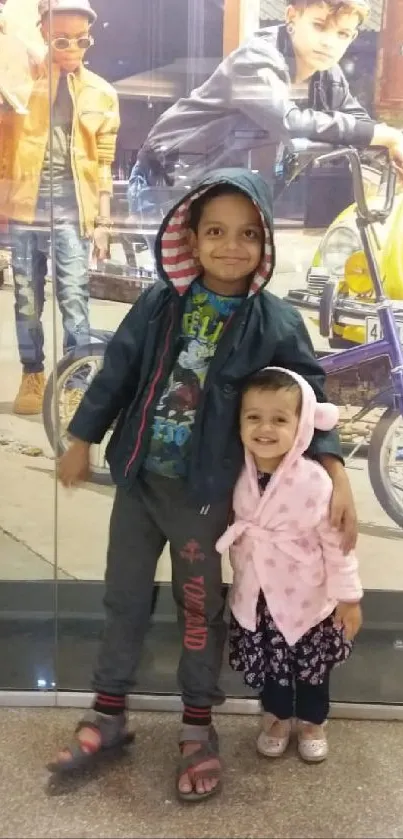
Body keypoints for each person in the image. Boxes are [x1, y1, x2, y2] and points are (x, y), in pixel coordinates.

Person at [49, 167, 357, 801]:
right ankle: (108, 713)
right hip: (138, 482)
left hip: (204, 495)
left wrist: (334, 468)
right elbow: (117, 373)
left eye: (248, 234)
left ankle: (197, 727)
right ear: (190, 235)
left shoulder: (272, 321)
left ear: (265, 242)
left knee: (199, 611)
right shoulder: (159, 304)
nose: (230, 246)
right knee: (124, 599)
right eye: (215, 231)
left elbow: (310, 397)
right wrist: (81, 438)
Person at [128, 0, 403, 240]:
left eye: (342, 34)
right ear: (292, 17)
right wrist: (385, 135)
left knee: (232, 283)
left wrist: (390, 147)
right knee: (183, 285)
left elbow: (359, 124)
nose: (329, 42)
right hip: (169, 178)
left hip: (231, 189)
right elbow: (287, 121)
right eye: (319, 26)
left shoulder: (326, 73)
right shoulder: (256, 58)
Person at [216, 367, 363, 763]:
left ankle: (313, 722)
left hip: (306, 594)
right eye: (253, 417)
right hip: (259, 594)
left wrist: (349, 597)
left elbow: (337, 544)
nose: (265, 429)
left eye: (280, 419)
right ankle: (277, 717)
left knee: (311, 668)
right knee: (270, 663)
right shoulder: (236, 474)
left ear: (301, 426)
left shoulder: (314, 481)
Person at [0, 0, 120, 415]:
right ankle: (32, 373)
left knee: (74, 297)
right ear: (45, 35)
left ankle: (77, 378)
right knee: (27, 299)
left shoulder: (102, 93)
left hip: (73, 213)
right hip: (24, 210)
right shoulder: (20, 89)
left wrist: (104, 221)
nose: (71, 47)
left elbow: (104, 161)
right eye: (61, 38)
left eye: (81, 39)